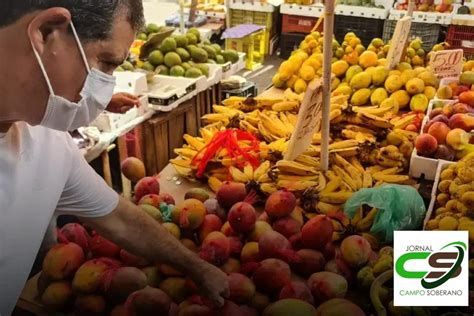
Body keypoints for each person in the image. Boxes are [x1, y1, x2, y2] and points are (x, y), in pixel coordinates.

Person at [0, 1, 229, 315]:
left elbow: (118, 218)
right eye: (106, 62)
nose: (105, 90)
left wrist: (197, 268)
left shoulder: (47, 139)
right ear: (47, 31)